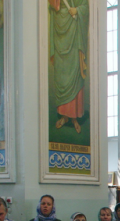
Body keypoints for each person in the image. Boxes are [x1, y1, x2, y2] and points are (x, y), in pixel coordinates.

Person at [48, 0, 89, 134]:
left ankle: (74, 117)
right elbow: (52, 4)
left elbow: (85, 5)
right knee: (61, 73)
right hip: (60, 29)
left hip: (74, 31)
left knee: (75, 72)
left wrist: (77, 10)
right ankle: (64, 116)